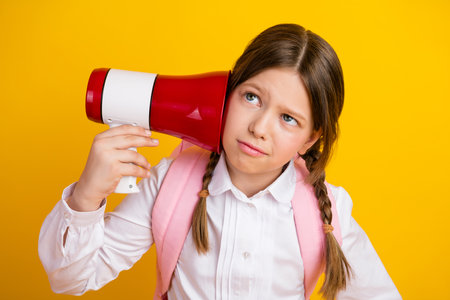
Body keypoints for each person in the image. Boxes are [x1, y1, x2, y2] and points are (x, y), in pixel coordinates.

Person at [38, 23, 401, 299]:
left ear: (310, 138)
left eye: (288, 118)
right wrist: (86, 197)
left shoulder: (329, 213)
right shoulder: (171, 183)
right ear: (225, 94)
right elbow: (71, 278)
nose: (259, 127)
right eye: (252, 97)